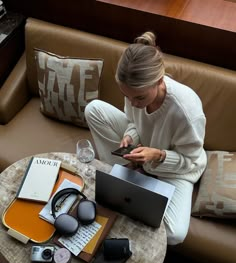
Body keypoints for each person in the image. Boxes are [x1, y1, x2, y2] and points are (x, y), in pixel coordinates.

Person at [85, 31, 207, 245]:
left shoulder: (187, 112)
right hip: (144, 150)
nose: (133, 103)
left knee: (175, 233)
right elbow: (133, 120)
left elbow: (190, 161)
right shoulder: (135, 94)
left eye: (140, 97)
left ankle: (128, 180)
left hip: (178, 167)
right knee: (94, 109)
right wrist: (129, 136)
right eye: (126, 96)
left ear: (160, 81)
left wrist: (157, 155)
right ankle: (122, 172)